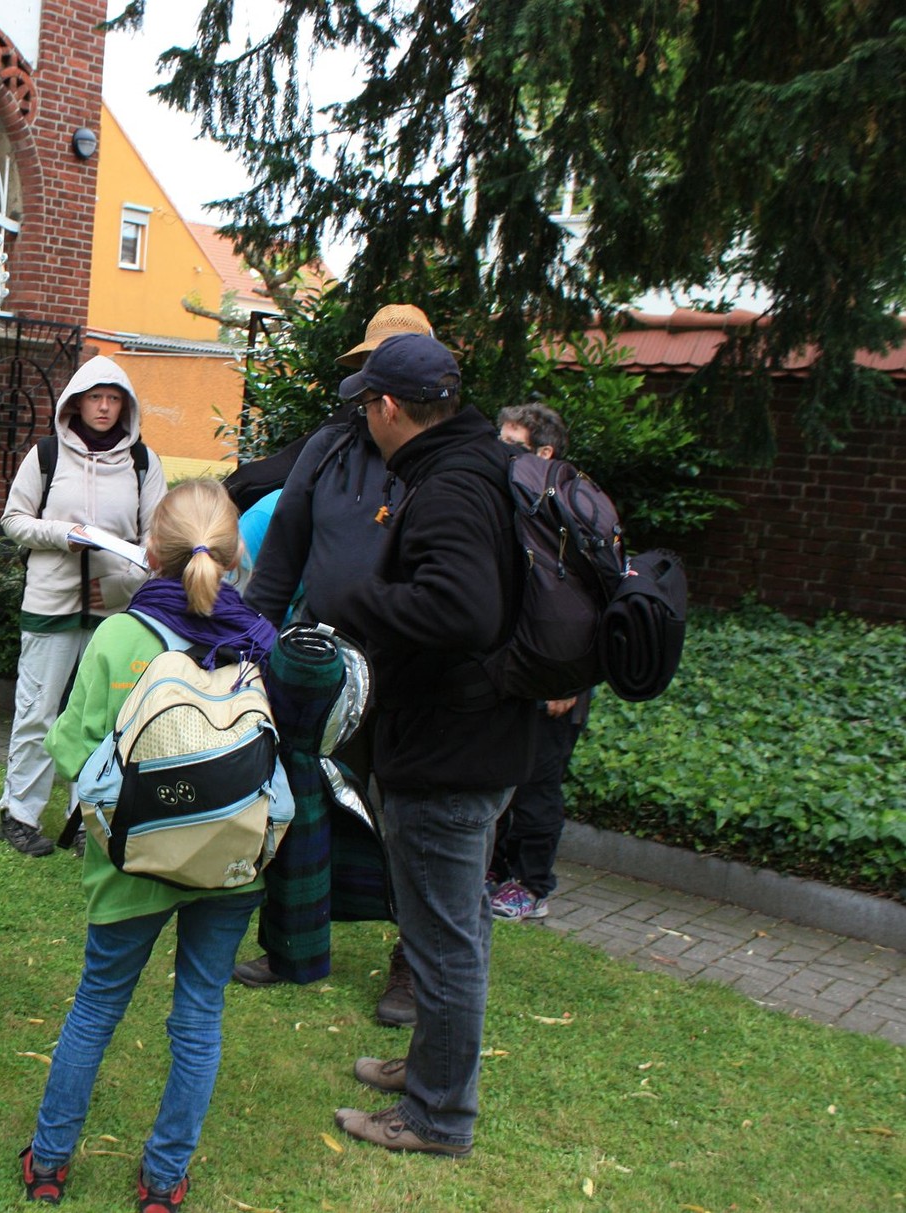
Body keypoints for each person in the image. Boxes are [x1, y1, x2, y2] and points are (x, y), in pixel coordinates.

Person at [19, 478, 270, 1212]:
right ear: (232, 553)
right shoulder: (259, 638)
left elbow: (68, 744)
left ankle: (50, 1162)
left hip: (132, 856)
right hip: (229, 860)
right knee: (198, 1016)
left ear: (150, 549)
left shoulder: (121, 636)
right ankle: (164, 1179)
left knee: (97, 1005)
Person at [326, 333, 533, 1157]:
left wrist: (359, 599)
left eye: (363, 405)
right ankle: (426, 1070)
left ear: (385, 407)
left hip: (450, 746)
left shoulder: (449, 486)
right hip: (475, 736)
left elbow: (462, 610)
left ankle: (436, 1116)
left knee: (443, 939)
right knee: (454, 925)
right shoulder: (476, 465)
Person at [236, 304, 433, 1026]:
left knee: (409, 821)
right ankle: (293, 944)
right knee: (302, 801)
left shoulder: (447, 464)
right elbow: (279, 554)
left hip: (415, 673)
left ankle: (412, 968)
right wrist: (253, 647)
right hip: (321, 661)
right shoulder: (325, 448)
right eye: (364, 369)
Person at [0, 356, 165, 857]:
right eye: (96, 397)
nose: (105, 407)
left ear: (126, 406)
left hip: (114, 613)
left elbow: (157, 540)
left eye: (114, 399)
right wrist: (62, 535)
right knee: (38, 712)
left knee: (103, 716)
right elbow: (14, 519)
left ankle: (87, 817)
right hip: (50, 603)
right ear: (77, 401)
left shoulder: (142, 461)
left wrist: (119, 588)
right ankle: (19, 813)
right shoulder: (46, 455)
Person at [489, 401, 588, 921]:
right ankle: (497, 871)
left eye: (514, 445)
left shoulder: (568, 510)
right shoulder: (517, 502)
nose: (501, 453)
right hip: (521, 666)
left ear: (544, 453)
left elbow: (583, 602)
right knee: (507, 771)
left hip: (558, 674)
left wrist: (568, 680)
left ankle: (531, 884)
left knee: (538, 784)